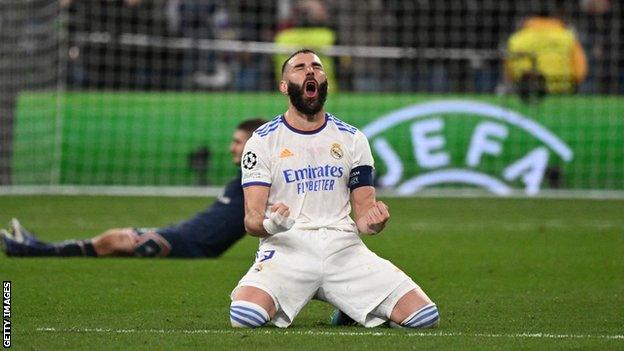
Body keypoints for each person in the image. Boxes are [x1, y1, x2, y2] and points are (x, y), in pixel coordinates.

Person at [229, 49, 439, 329]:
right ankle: (357, 308)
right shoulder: (262, 141)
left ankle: (351, 309)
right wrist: (271, 223)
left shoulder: (353, 139)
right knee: (245, 317)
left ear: (324, 80)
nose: (310, 71)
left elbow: (364, 215)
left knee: (424, 318)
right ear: (283, 86)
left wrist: (374, 222)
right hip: (287, 249)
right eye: (300, 67)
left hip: (344, 249)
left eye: (316, 66)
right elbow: (251, 220)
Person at [0, 118, 267, 258]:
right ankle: (36, 246)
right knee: (112, 245)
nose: (231, 147)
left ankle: (33, 250)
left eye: (237, 141)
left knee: (112, 239)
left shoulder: (259, 180)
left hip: (191, 245)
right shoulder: (243, 177)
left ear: (253, 144)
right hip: (182, 234)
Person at [504, 5, 588, 97]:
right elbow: (580, 73)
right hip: (563, 97)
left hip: (526, 98)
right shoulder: (568, 38)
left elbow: (509, 74)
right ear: (555, 15)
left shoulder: (516, 40)